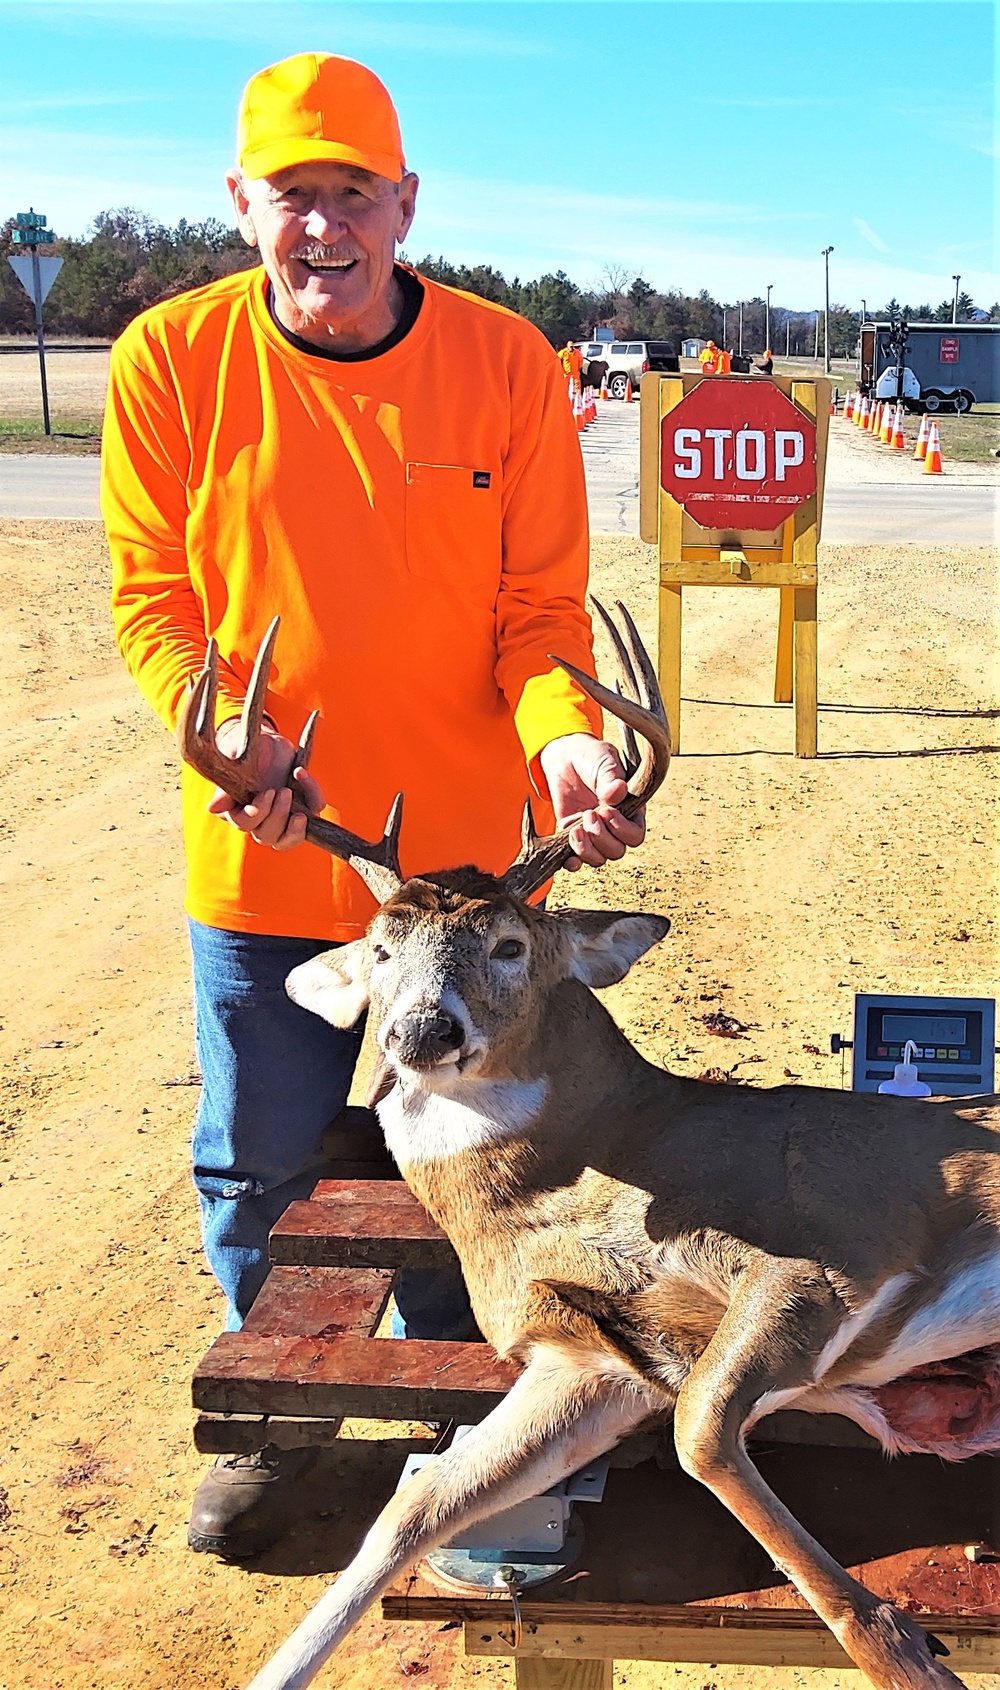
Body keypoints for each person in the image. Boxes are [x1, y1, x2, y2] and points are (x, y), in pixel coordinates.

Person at [101, 51, 647, 1560]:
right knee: (266, 1161)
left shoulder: (506, 364)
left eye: (355, 193)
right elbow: (156, 598)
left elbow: (540, 619)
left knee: (499, 1176)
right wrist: (231, 738)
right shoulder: (168, 361)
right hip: (273, 867)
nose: (324, 226)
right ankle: (284, 1420)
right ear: (242, 203)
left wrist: (569, 748)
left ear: (407, 203)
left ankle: (468, 1419)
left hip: (474, 906)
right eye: (294, 195)